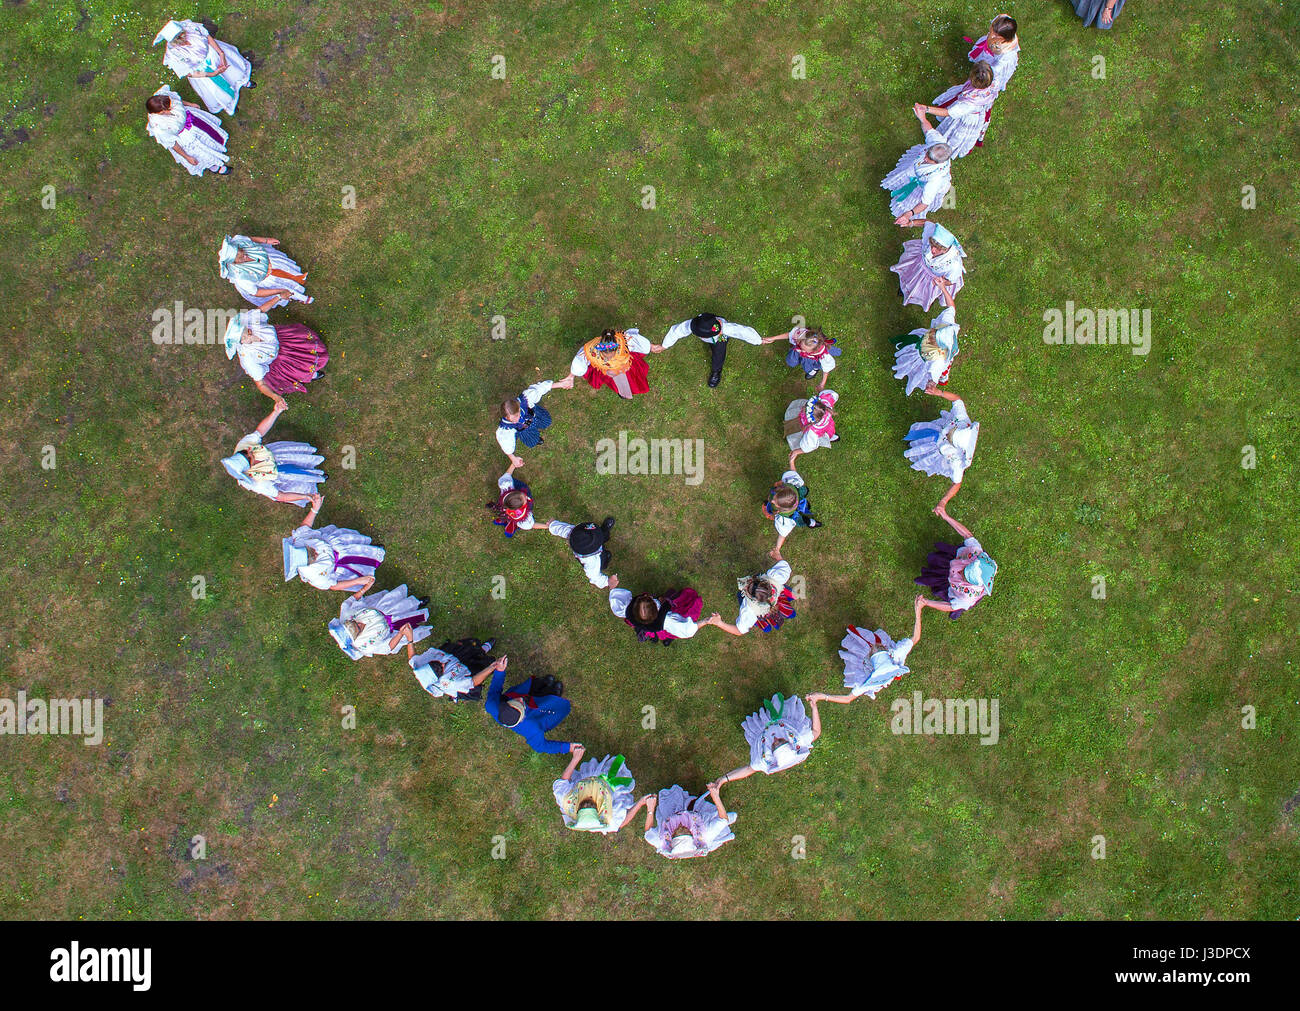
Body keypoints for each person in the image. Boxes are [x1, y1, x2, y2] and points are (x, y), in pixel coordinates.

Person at [810, 605, 924, 706]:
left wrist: (822, 696)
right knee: (869, 641)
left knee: (860, 649)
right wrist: (918, 610)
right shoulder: (897, 653)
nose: (875, 645)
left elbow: (848, 699)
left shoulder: (865, 681)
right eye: (877, 647)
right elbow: (915, 638)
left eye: (875, 648)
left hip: (872, 672)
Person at [220, 402, 324, 511]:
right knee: (301, 477)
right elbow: (281, 496)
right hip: (282, 475)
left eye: (246, 451)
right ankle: (314, 478)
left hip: (280, 455)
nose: (250, 452)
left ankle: (311, 465)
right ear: (249, 467)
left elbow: (259, 431)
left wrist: (276, 412)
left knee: (300, 461)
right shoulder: (258, 483)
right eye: (249, 457)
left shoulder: (243, 446)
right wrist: (305, 496)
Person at [712, 693, 824, 785]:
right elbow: (816, 731)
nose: (775, 739)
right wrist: (814, 707)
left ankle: (769, 719)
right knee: (781, 706)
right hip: (784, 724)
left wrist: (723, 779)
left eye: (774, 745)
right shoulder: (799, 738)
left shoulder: (764, 760)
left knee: (770, 714)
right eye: (780, 740)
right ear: (789, 743)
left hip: (764, 732)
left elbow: (748, 770)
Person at [223, 310, 327, 408]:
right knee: (299, 370)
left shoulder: (251, 323)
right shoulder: (249, 360)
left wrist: (279, 296)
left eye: (247, 330)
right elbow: (260, 383)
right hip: (281, 363)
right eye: (245, 335)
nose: (250, 331)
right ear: (242, 341)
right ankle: (312, 375)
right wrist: (275, 397)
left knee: (304, 350)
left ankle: (313, 355)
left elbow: (261, 310)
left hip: (285, 341)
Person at [153, 19, 253, 116]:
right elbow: (189, 73)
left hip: (214, 55)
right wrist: (212, 74)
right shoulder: (173, 55)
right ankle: (229, 103)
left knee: (232, 71)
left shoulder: (191, 28)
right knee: (218, 89)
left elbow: (208, 37)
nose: (183, 38)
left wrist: (221, 54)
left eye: (182, 34)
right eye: (178, 39)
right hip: (202, 73)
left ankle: (243, 82)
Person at [903, 384, 979, 512]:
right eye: (953, 430)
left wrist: (943, 502)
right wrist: (939, 392)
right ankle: (914, 439)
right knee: (922, 437)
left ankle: (913, 448)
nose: (949, 432)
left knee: (921, 451)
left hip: (937, 449)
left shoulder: (957, 460)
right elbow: (957, 400)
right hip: (936, 434)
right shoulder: (962, 421)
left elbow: (957, 483)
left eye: (950, 437)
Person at [915, 508, 998, 621]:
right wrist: (945, 515)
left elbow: (951, 606)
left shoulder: (965, 597)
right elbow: (967, 535)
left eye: (964, 574)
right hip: (953, 563)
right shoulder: (975, 553)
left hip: (956, 589)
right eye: (965, 568)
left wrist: (927, 602)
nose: (960, 571)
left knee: (953, 602)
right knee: (934, 558)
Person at [484, 659, 580, 756]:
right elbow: (541, 746)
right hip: (535, 712)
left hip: (519, 693)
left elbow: (494, 690)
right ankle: (552, 693)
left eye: (515, 702)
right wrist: (568, 747)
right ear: (522, 718)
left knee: (531, 687)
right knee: (545, 703)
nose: (520, 699)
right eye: (520, 704)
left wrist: (499, 671)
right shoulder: (531, 728)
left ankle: (543, 683)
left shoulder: (491, 705)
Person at [880, 108, 953, 227]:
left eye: (929, 160)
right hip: (916, 171)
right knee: (907, 171)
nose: (925, 159)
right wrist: (922, 117)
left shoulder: (934, 181)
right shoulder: (938, 142)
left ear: (937, 163)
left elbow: (924, 203)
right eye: (927, 154)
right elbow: (928, 130)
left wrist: (909, 214)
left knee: (910, 200)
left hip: (922, 183)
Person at [651, 312, 763, 388]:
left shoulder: (725, 329)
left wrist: (758, 340)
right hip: (709, 335)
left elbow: (743, 332)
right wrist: (664, 345)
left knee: (719, 352)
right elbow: (676, 331)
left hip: (720, 339)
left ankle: (716, 371)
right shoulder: (694, 325)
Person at [914, 61, 997, 159]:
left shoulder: (968, 104)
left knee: (954, 134)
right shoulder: (993, 84)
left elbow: (948, 112)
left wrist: (926, 109)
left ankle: (945, 147)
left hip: (967, 117)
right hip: (978, 109)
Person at [328, 585, 432, 661]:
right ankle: (418, 607)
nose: (360, 624)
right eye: (358, 629)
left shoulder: (346, 615)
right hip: (393, 626)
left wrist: (364, 588)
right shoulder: (366, 646)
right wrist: (401, 633)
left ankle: (417, 602)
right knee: (409, 618)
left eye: (355, 622)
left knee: (403, 605)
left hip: (383, 608)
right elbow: (388, 647)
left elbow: (348, 602)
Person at [145, 86, 230, 176]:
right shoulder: (159, 127)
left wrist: (190, 104)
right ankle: (212, 165)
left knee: (209, 134)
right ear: (159, 113)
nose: (170, 109)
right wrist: (187, 157)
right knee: (200, 151)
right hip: (184, 137)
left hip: (192, 121)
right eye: (166, 110)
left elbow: (177, 101)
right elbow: (173, 144)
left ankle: (217, 146)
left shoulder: (163, 98)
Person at [552, 753, 644, 834]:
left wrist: (575, 758)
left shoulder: (567, 801)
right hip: (606, 789)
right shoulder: (608, 817)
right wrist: (641, 802)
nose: (588, 803)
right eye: (591, 806)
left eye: (584, 807)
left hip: (585, 785)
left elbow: (563, 781)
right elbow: (621, 824)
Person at [282, 522, 384, 595]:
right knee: (361, 562)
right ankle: (374, 560)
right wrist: (358, 581)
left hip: (340, 546)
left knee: (361, 549)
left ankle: (372, 549)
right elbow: (334, 585)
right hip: (344, 564)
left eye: (310, 550)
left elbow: (304, 527)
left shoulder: (300, 542)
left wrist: (315, 508)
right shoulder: (316, 578)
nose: (316, 552)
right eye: (313, 557)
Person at [218, 234, 313, 311]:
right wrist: (279, 291)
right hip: (266, 279)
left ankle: (297, 277)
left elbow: (250, 239)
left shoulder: (239, 242)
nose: (245, 256)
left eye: (242, 252)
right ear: (234, 263)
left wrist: (266, 240)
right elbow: (256, 292)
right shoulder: (241, 278)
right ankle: (300, 297)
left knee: (286, 272)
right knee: (286, 287)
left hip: (270, 262)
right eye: (241, 258)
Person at [642, 784, 737, 859]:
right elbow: (723, 820)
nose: (682, 827)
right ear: (692, 835)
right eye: (686, 831)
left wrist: (650, 809)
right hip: (698, 820)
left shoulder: (661, 840)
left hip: (679, 818)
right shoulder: (705, 835)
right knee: (726, 818)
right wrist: (715, 796)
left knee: (667, 803)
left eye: (679, 831)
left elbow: (648, 832)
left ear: (672, 836)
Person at [495, 375, 574, 465]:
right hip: (524, 430)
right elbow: (505, 443)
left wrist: (561, 384)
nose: (516, 420)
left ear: (518, 408)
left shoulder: (525, 400)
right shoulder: (506, 428)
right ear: (505, 417)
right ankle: (536, 439)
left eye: (517, 415)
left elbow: (540, 389)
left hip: (533, 416)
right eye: (512, 419)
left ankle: (539, 425)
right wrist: (513, 458)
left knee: (546, 421)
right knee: (532, 439)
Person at [706, 561, 798, 636]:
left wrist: (719, 623)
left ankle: (761, 621)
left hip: (760, 612)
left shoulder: (749, 610)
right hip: (776, 596)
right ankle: (786, 598)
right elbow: (784, 565)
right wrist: (777, 553)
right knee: (787, 599)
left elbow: (739, 631)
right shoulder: (774, 577)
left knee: (740, 596)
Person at [889, 221, 966, 311]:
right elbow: (927, 223)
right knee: (910, 279)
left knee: (922, 293)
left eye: (937, 248)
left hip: (931, 279)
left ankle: (916, 297)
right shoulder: (933, 233)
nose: (932, 249)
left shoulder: (954, 264)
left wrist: (942, 283)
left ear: (946, 249)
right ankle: (904, 290)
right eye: (932, 244)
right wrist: (911, 223)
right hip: (919, 265)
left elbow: (951, 281)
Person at [893, 307, 960, 395]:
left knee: (911, 365)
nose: (933, 335)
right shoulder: (946, 324)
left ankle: (906, 371)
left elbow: (934, 377)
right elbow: (951, 307)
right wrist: (944, 292)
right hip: (924, 348)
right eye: (936, 334)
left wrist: (931, 385)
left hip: (923, 358)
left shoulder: (938, 362)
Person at [569, 327, 651, 399]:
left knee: (632, 380)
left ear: (616, 348)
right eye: (605, 356)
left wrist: (652, 346)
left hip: (625, 367)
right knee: (615, 382)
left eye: (611, 356)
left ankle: (625, 391)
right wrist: (571, 376)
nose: (608, 359)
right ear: (600, 350)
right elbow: (579, 359)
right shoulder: (592, 349)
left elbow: (636, 340)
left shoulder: (623, 341)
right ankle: (621, 391)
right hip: (607, 370)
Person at [609, 585, 706, 645]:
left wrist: (612, 587)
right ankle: (667, 639)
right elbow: (688, 630)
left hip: (660, 627)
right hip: (670, 627)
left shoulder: (632, 613)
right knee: (687, 604)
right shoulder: (668, 619)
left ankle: (660, 637)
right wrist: (707, 621)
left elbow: (617, 600)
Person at [409, 640, 502, 702]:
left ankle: (480, 649)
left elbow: (412, 659)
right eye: (441, 668)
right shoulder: (450, 682)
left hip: (454, 658)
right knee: (481, 665)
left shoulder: (421, 666)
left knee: (469, 647)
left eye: (438, 663)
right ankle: (484, 650)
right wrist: (492, 667)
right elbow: (473, 681)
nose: (442, 664)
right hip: (464, 673)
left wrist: (410, 639)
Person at [762, 470, 821, 561]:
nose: (772, 501)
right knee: (805, 495)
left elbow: (783, 534)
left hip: (796, 517)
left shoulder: (786, 521)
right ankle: (810, 519)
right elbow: (794, 473)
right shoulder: (795, 486)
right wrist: (791, 462)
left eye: (774, 503)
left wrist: (777, 549)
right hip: (799, 500)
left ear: (780, 510)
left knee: (804, 521)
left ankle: (812, 523)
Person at [547, 517, 616, 589]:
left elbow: (561, 529)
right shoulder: (592, 562)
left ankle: (604, 530)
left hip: (595, 547)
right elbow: (594, 577)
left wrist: (552, 525)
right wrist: (608, 582)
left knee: (603, 534)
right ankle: (605, 560)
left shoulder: (577, 534)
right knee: (603, 562)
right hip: (598, 556)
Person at [763, 325, 841, 389]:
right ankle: (798, 354)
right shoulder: (801, 335)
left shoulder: (823, 354)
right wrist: (772, 338)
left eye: (804, 350)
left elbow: (826, 370)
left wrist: (822, 384)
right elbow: (788, 334)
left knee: (808, 368)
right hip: (800, 351)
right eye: (800, 344)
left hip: (810, 358)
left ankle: (815, 368)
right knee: (790, 361)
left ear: (814, 350)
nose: (802, 351)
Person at [487, 461, 548, 538]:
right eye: (525, 499)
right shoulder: (525, 519)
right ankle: (512, 525)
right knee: (523, 487)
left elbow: (507, 476)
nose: (526, 496)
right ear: (522, 507)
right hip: (516, 491)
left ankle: (508, 521)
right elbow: (532, 525)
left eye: (522, 494)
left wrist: (513, 464)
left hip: (510, 510)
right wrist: (547, 526)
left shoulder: (505, 485)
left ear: (513, 492)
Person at [784, 389, 839, 468]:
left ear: (811, 420)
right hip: (827, 425)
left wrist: (797, 451)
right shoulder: (825, 402)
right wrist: (821, 390)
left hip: (819, 430)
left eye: (804, 409)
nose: (802, 407)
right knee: (828, 432)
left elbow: (810, 446)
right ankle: (830, 435)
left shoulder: (812, 432)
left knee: (825, 435)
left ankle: (830, 437)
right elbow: (833, 395)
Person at [967, 15, 1021, 94]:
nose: (991, 35)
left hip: (993, 62)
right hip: (988, 52)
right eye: (992, 30)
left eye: (996, 35)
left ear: (1003, 39)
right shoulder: (1001, 22)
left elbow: (997, 69)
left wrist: (985, 72)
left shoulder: (1007, 56)